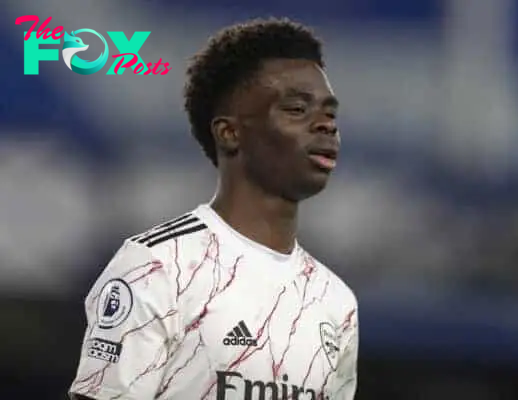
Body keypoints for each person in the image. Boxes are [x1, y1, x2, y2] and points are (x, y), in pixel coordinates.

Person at [69, 17, 358, 400]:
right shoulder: (157, 266)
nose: (326, 126)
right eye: (296, 109)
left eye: (330, 113)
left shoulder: (336, 303)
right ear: (230, 133)